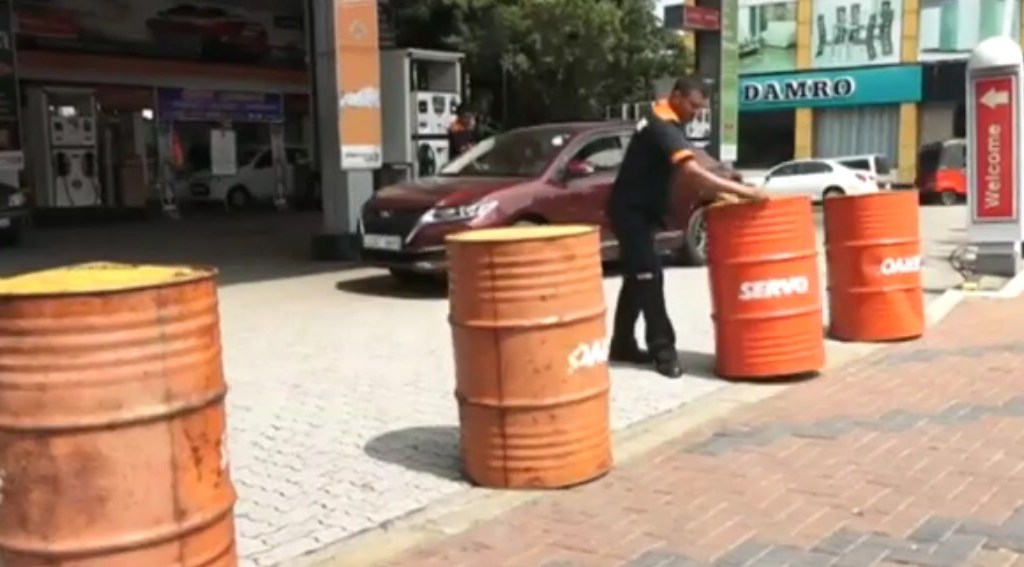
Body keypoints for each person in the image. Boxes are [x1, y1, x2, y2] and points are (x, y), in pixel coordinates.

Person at [607, 76, 768, 379]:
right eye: (693, 106)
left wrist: (723, 183)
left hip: (642, 212)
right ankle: (664, 353)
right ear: (677, 96)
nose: (696, 113)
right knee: (650, 279)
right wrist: (746, 193)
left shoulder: (667, 120)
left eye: (701, 109)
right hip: (630, 214)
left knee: (638, 278)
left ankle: (622, 344)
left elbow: (689, 162)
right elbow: (691, 171)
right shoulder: (662, 125)